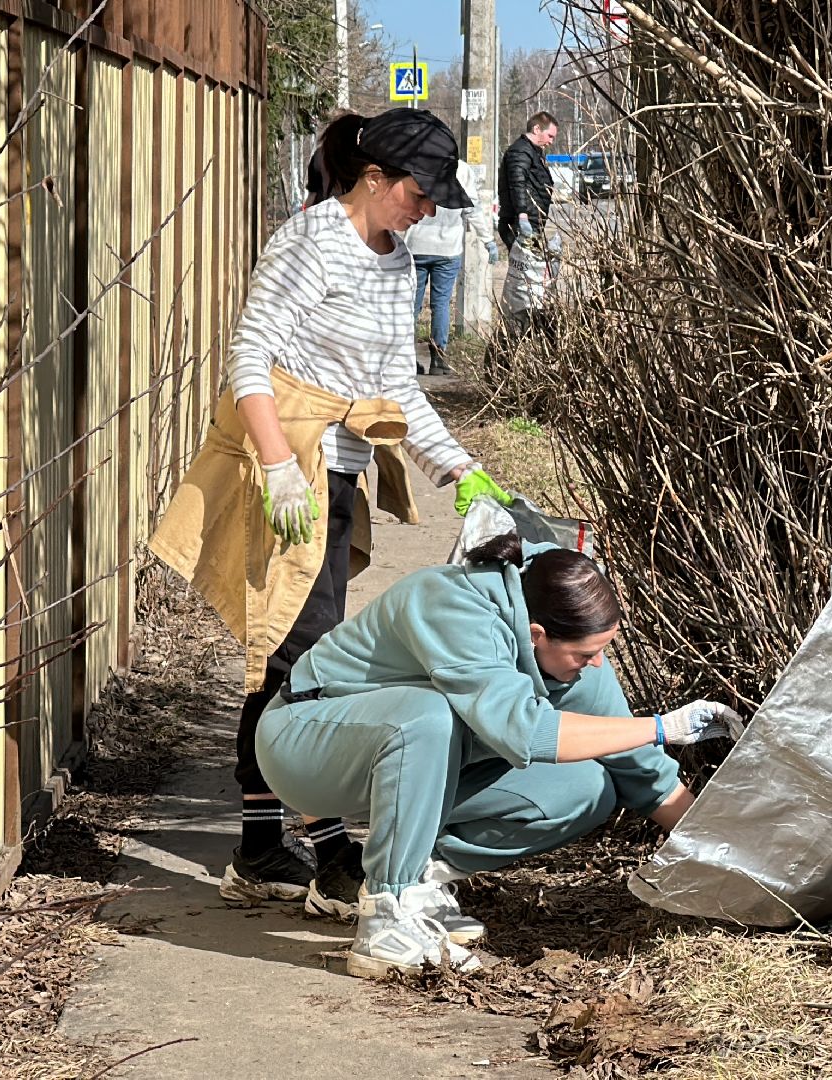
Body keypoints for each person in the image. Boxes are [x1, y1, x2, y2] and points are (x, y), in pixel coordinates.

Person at [184, 108, 516, 912]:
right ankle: (332, 857)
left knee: (290, 659)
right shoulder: (309, 241)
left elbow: (397, 387)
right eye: (418, 191)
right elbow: (248, 356)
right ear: (374, 178)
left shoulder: (396, 258)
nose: (425, 208)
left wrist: (461, 470)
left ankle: (263, 847)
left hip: (338, 478)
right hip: (288, 477)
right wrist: (274, 466)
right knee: (310, 664)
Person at [255, 534, 742, 976]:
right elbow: (526, 733)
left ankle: (420, 878)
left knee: (588, 785)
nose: (596, 664)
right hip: (305, 747)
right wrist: (663, 727)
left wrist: (732, 863)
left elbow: (644, 772)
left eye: (601, 651)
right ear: (536, 635)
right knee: (429, 715)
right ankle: (387, 913)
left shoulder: (574, 663)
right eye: (585, 654)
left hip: (406, 768)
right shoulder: (449, 603)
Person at [404, 161, 494, 375]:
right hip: (448, 248)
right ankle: (438, 359)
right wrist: (488, 239)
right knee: (441, 305)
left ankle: (407, 359)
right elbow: (471, 209)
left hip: (416, 245)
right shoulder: (462, 170)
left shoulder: (419, 165)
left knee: (411, 307)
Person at [497, 111, 557, 249]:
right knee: (525, 269)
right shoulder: (521, 151)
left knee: (528, 269)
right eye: (550, 136)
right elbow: (517, 184)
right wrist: (523, 217)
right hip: (519, 224)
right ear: (537, 129)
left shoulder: (533, 152)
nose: (551, 141)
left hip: (530, 223)